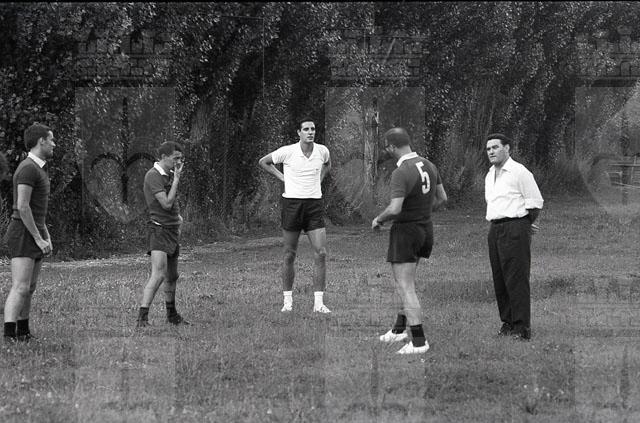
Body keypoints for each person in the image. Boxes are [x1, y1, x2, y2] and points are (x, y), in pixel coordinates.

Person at [372, 128, 447, 354]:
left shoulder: (401, 171)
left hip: (406, 232)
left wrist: (379, 219)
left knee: (406, 286)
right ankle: (398, 330)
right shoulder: (429, 165)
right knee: (405, 283)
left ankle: (419, 342)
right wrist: (421, 212)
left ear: (391, 147)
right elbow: (442, 198)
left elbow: (395, 208)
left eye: (387, 147)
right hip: (425, 229)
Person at [258, 117, 332, 313]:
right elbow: (264, 162)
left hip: (314, 206)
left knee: (321, 253)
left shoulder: (322, 151)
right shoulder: (288, 151)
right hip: (292, 206)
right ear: (299, 132)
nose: (310, 132)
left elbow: (327, 165)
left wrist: (318, 180)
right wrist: (283, 178)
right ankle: (287, 302)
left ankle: (318, 304)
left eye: (313, 129)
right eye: (306, 129)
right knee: (289, 254)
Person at [485, 133, 543, 340]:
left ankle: (521, 328)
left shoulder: (519, 172)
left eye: (495, 147)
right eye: (488, 149)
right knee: (500, 278)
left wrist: (523, 224)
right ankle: (507, 323)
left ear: (507, 148)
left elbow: (535, 203)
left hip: (515, 228)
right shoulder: (489, 175)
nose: (491, 152)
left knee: (516, 278)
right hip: (495, 229)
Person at [3, 123, 55, 342]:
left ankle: (23, 332)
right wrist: (37, 238)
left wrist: (46, 236)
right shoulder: (27, 168)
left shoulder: (39, 168)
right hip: (22, 233)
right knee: (20, 286)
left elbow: (36, 210)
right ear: (41, 141)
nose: (54, 144)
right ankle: (9, 335)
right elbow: (23, 207)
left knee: (30, 287)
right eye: (51, 139)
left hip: (34, 231)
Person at [136, 141, 189, 327]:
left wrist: (178, 219)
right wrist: (176, 180)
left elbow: (172, 206)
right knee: (158, 274)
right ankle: (142, 319)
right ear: (163, 157)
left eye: (181, 159)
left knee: (172, 276)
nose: (179, 162)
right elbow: (166, 204)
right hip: (159, 230)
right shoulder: (153, 175)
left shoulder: (168, 175)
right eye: (175, 158)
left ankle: (171, 315)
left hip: (172, 230)